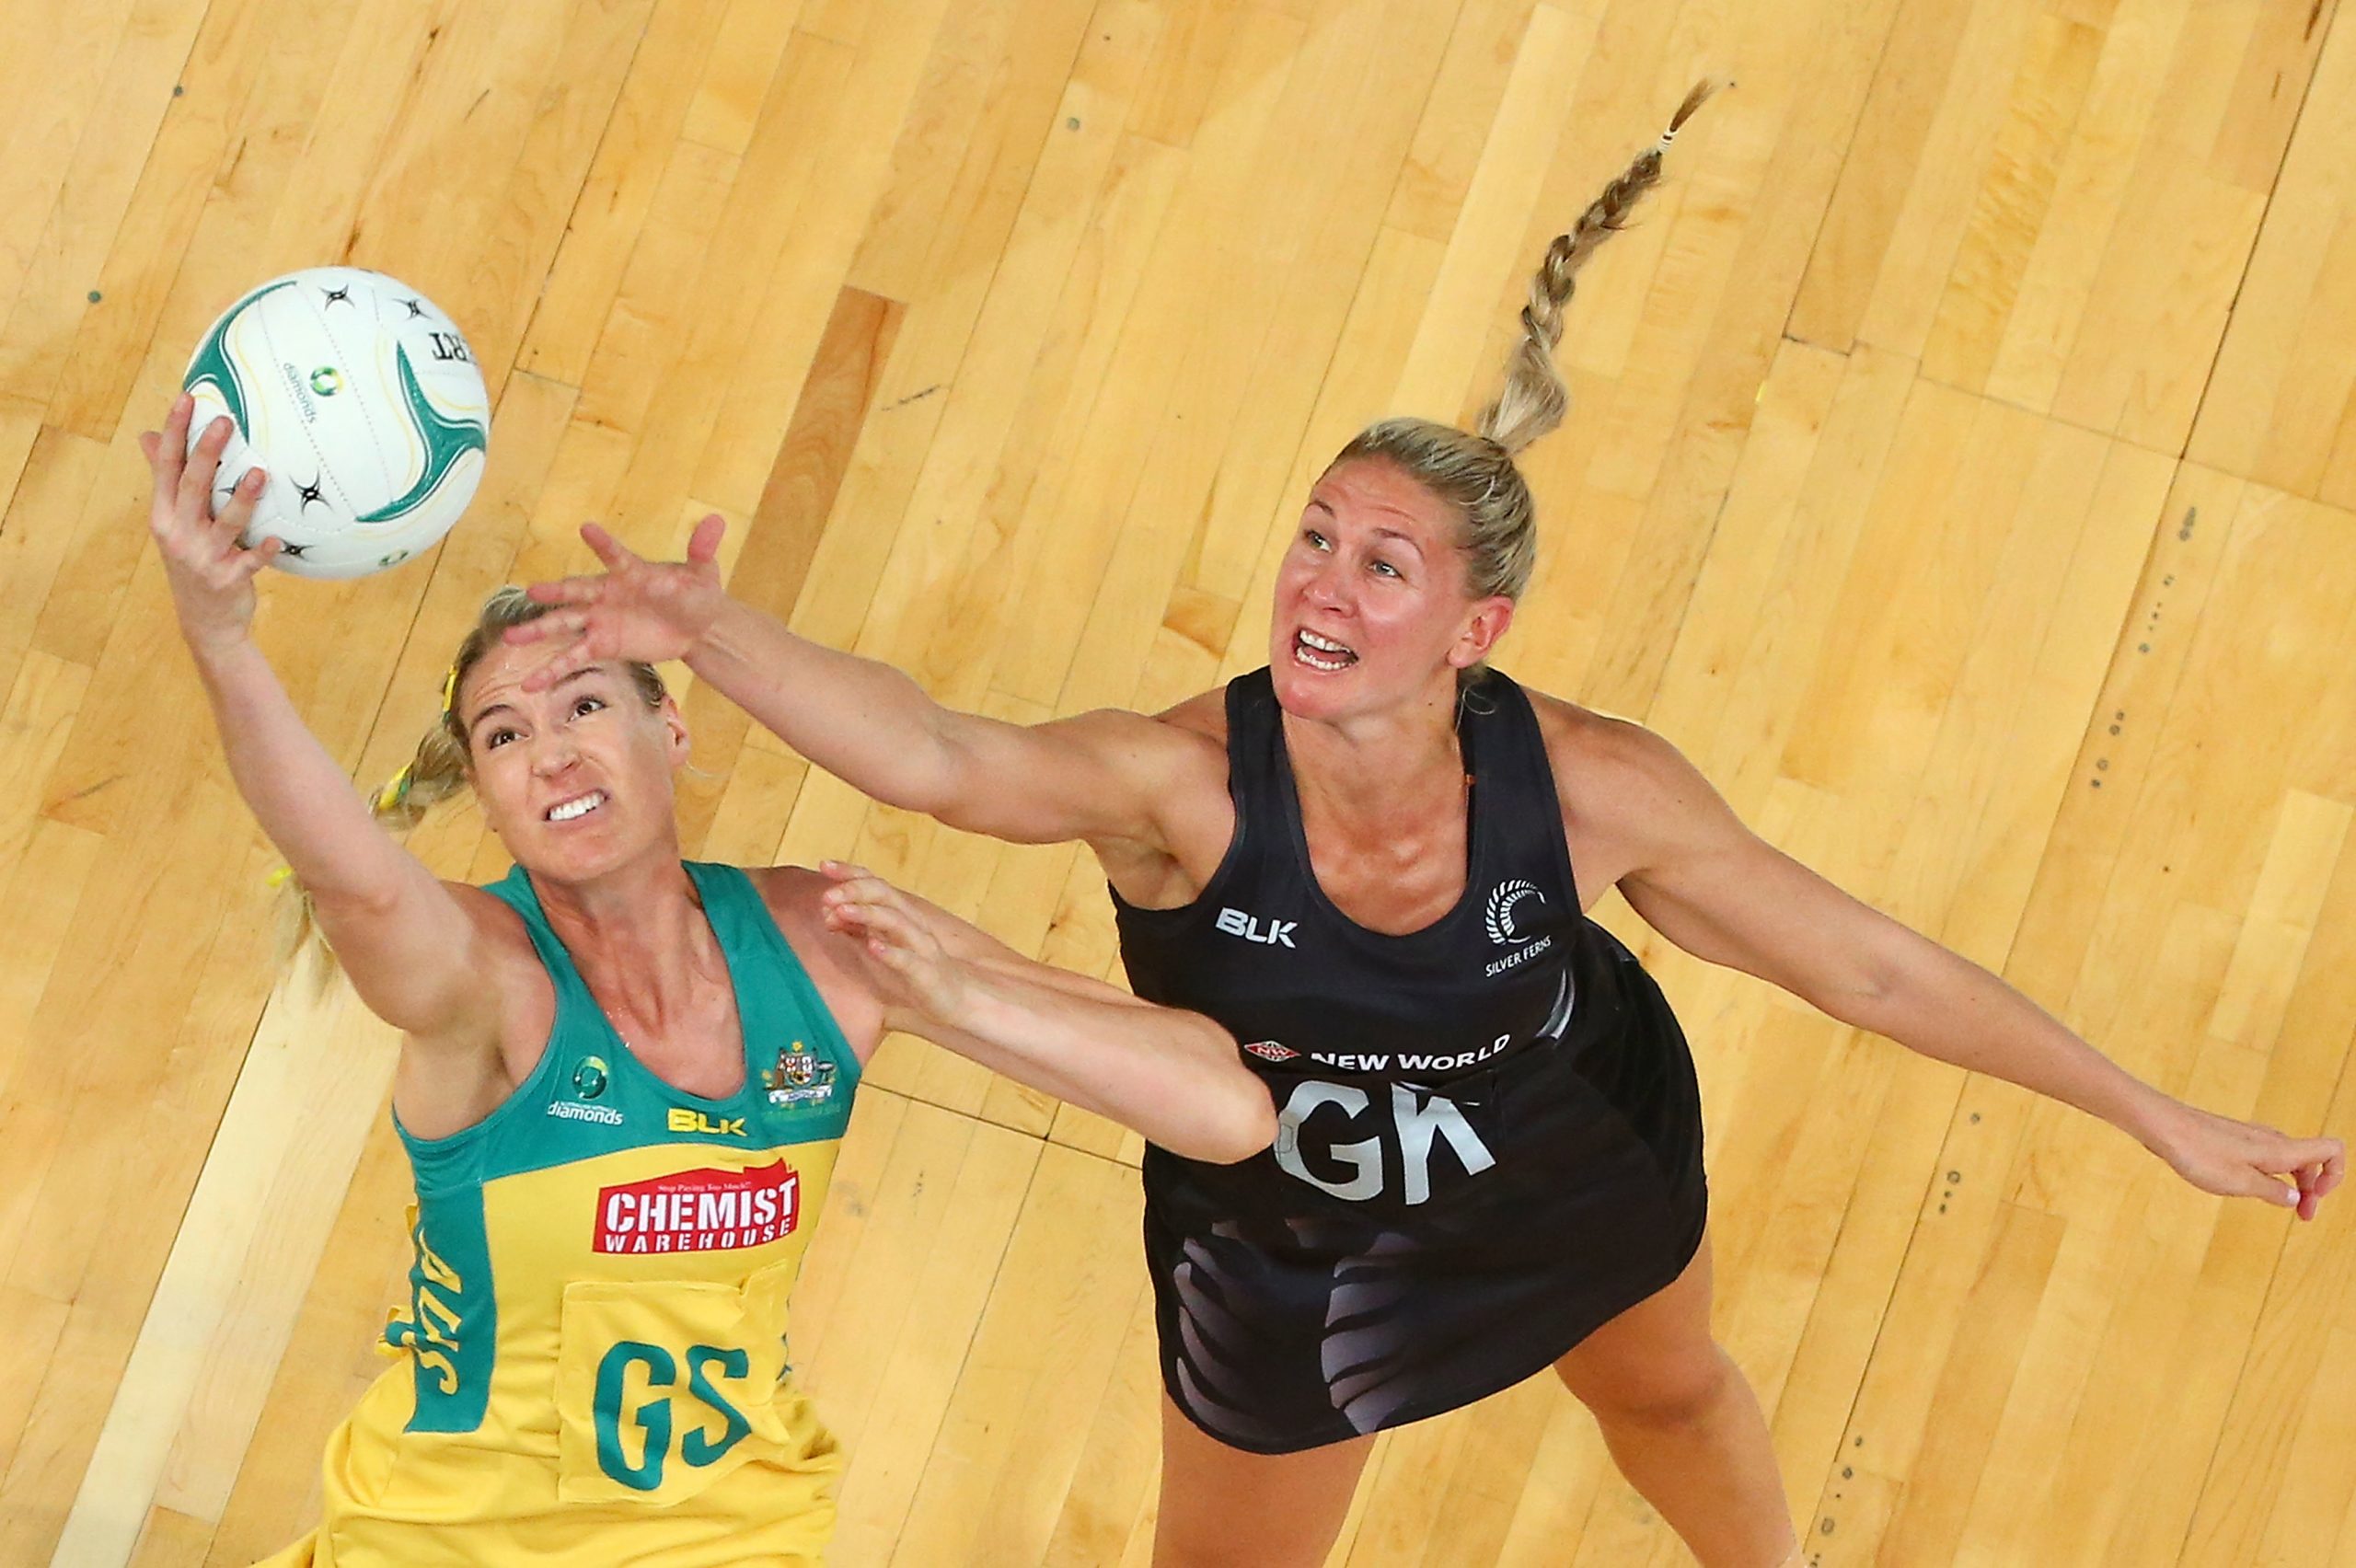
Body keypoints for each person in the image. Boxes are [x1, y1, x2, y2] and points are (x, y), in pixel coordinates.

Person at [503, 90, 2348, 1568]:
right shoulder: (1181, 787)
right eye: (1312, 533)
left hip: (1568, 1152)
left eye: (1378, 563)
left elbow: (1862, 962)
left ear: (1473, 634)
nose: (1316, 582)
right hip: (1287, 1241)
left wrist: (2152, 1117)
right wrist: (713, 635)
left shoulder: (1593, 787)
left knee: (1676, 1404)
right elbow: (932, 758)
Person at [142, 394, 1276, 1567]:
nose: (554, 754)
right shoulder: (489, 982)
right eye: (505, 735)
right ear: (482, 793)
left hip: (736, 1537)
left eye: (584, 704)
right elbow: (359, 884)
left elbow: (1224, 1108)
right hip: (447, 1544)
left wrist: (964, 1000)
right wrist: (221, 640)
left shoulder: (819, 939)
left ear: (668, 732)